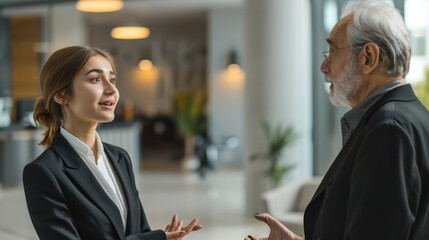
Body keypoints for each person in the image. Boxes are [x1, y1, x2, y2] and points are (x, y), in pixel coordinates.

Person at [246, 0, 429, 239]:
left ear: (368, 58)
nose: (324, 66)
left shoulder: (388, 129)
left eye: (332, 51)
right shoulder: (407, 116)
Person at [23, 46, 202, 240]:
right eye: (95, 79)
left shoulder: (120, 158)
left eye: (112, 79)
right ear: (61, 95)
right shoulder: (44, 172)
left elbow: (139, 232)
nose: (112, 90)